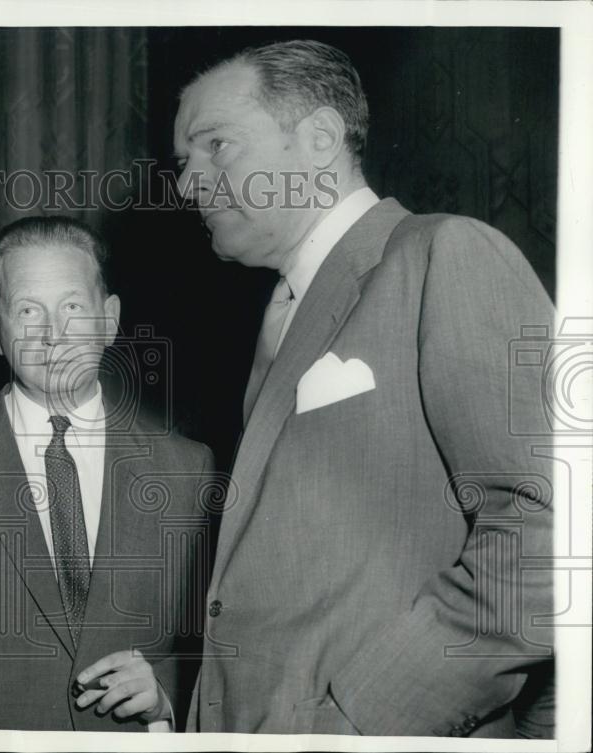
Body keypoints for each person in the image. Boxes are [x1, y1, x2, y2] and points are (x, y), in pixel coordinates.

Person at [173, 40, 555, 737]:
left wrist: (359, 721)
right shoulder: (280, 315)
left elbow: (550, 540)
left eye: (216, 145)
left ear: (320, 138)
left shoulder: (445, 253)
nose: (187, 184)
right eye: (183, 161)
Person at [0, 216, 214, 731]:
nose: (53, 335)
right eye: (27, 311)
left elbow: (222, 641)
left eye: (72, 307)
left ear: (109, 320)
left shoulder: (188, 470)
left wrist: (167, 692)